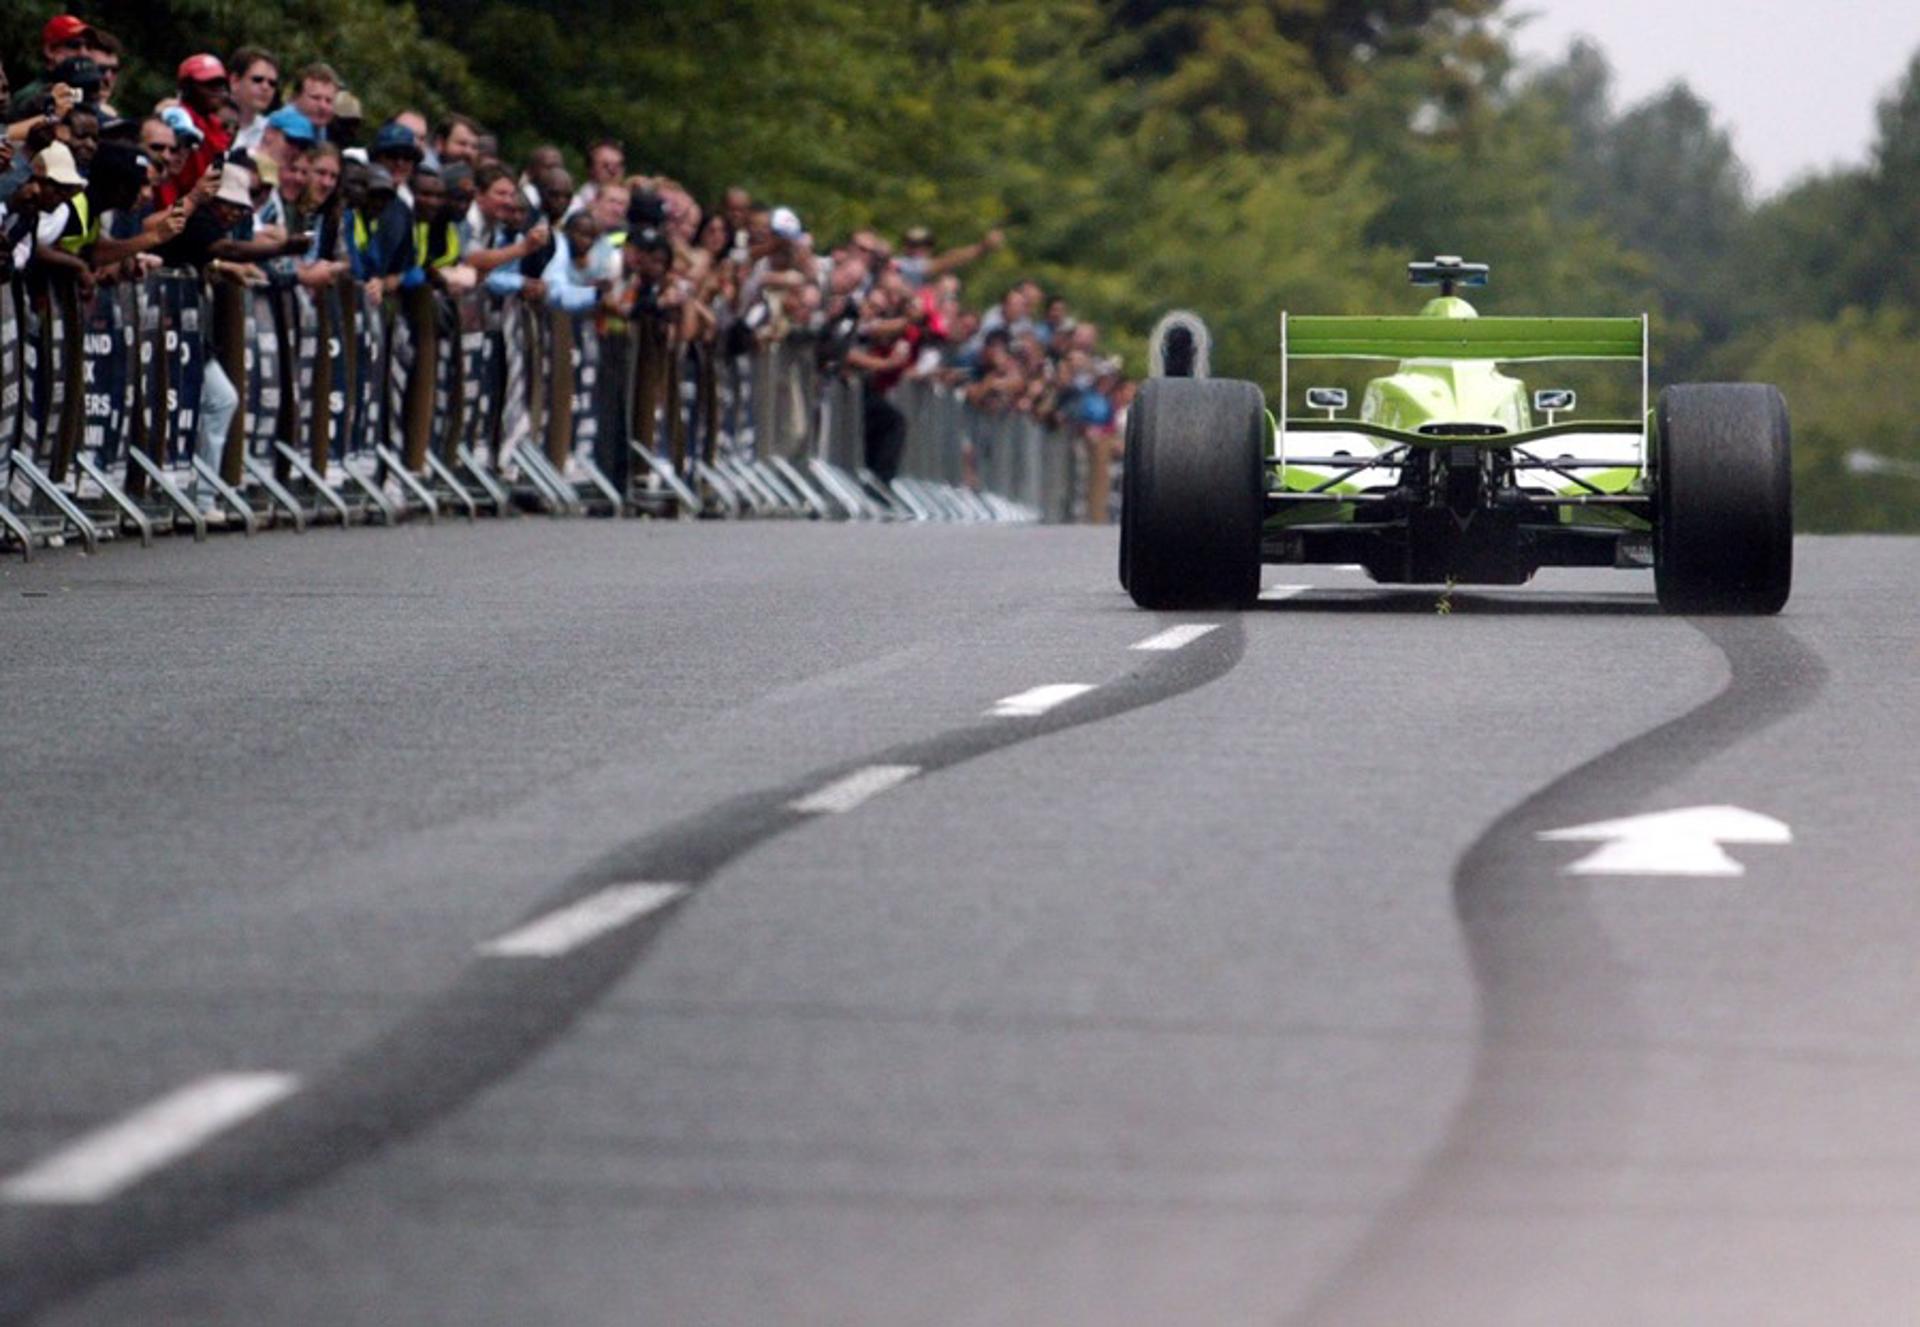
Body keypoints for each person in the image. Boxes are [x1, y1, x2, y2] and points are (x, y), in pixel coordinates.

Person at [159, 54, 232, 207]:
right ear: (187, 87)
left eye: (221, 84)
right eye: (209, 84)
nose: (218, 90)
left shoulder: (215, 126)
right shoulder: (177, 119)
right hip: (172, 205)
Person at [228, 47, 279, 155]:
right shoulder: (204, 125)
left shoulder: (272, 133)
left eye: (272, 83)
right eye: (257, 80)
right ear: (235, 81)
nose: (265, 87)